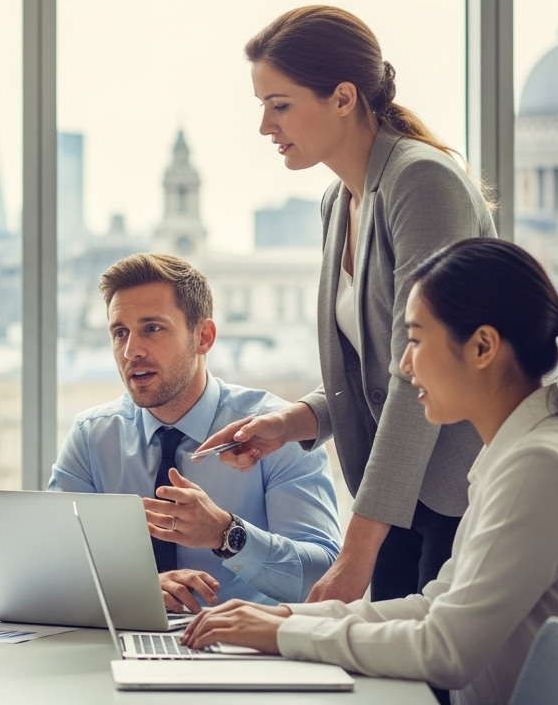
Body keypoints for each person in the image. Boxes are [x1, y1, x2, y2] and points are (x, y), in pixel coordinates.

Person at [181, 238, 558, 705]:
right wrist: (288, 616)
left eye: (414, 339)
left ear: (482, 347)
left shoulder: (541, 465)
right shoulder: (519, 456)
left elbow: (446, 649)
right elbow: (435, 605)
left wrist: (284, 633)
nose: (404, 366)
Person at [200, 6, 497, 603]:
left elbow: (420, 372)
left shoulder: (423, 183)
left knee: (433, 690)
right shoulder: (339, 200)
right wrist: (294, 422)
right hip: (400, 498)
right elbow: (371, 365)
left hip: (455, 490)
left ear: (342, 97)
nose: (264, 126)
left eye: (279, 104)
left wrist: (357, 551)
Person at [48, 254, 341, 610]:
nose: (131, 351)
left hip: (243, 648)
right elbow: (53, 564)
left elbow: (324, 576)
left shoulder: (275, 432)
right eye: (119, 332)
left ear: (203, 337)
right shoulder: (92, 437)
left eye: (152, 328)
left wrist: (226, 534)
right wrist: (134, 589)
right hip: (119, 639)